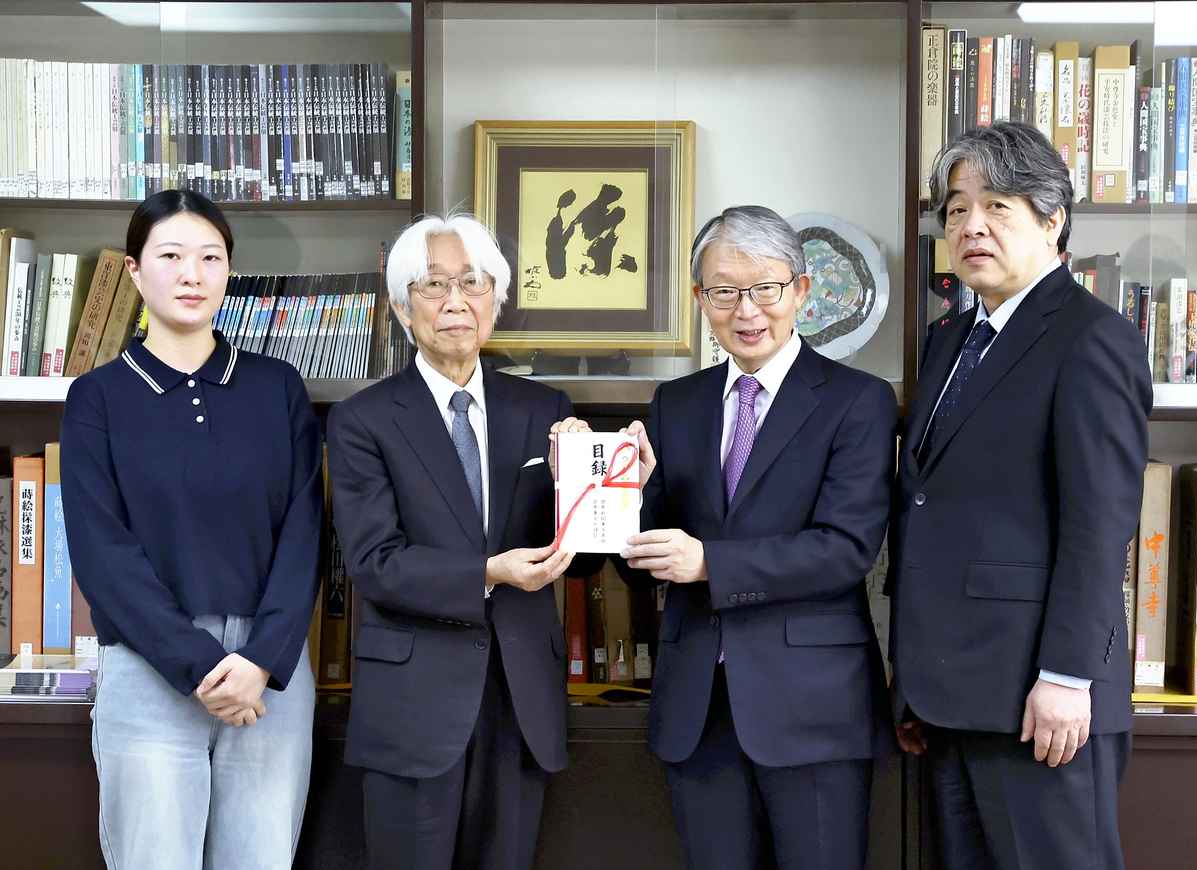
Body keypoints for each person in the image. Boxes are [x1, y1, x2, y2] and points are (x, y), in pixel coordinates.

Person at [889, 122, 1152, 870]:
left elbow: (1099, 527)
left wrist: (1066, 678)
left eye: (997, 206)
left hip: (1043, 702)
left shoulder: (1091, 338)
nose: (971, 226)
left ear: (1052, 219)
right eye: (956, 209)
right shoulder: (949, 339)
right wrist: (912, 683)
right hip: (949, 697)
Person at [617, 205, 896, 870]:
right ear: (700, 299)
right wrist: (617, 492)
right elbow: (639, 562)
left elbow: (846, 548)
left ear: (800, 290)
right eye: (724, 292)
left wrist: (709, 564)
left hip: (814, 707)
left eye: (765, 289)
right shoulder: (675, 404)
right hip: (698, 707)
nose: (746, 311)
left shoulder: (858, 401)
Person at [60, 188, 323, 869]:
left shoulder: (278, 388)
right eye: (171, 256)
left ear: (228, 271)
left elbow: (304, 535)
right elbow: (102, 555)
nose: (192, 275)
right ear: (133, 270)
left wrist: (259, 661)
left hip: (269, 675)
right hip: (150, 668)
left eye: (210, 258)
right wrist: (203, 665)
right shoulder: (96, 399)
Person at [326, 213, 587, 870]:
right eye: (434, 285)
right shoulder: (362, 421)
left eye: (472, 283)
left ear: (495, 300)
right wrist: (489, 573)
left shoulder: (546, 411)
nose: (455, 302)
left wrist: (603, 479)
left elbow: (580, 548)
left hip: (520, 699)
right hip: (413, 704)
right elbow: (375, 563)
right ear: (401, 307)